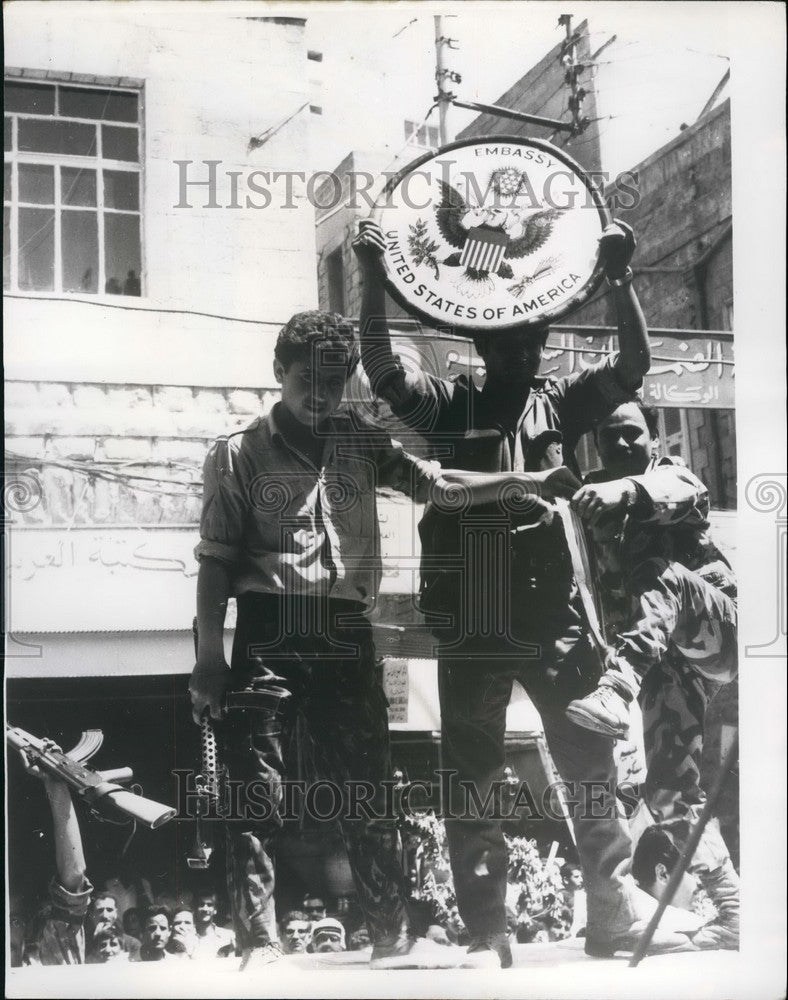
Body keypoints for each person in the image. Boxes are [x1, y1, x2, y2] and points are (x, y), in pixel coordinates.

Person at [352, 219, 686, 963]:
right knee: (472, 776)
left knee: (589, 760)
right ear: (482, 345)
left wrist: (620, 277)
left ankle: (611, 916)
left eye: (534, 341)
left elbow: (633, 364)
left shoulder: (557, 403)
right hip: (473, 617)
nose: (524, 353)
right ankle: (487, 932)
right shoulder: (448, 404)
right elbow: (380, 368)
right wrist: (373, 276)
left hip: (551, 613)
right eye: (509, 344)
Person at [189, 310, 521, 971]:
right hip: (268, 629)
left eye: (334, 382)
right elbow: (216, 561)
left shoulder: (363, 442)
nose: (320, 394)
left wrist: (523, 483)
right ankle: (259, 944)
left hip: (344, 631)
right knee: (257, 792)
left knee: (368, 790)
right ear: (279, 372)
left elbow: (436, 484)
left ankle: (390, 938)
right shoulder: (236, 453)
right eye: (306, 379)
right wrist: (208, 660)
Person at [565, 397, 740, 940]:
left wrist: (624, 490)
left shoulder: (671, 476)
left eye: (633, 433)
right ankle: (734, 910)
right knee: (669, 794)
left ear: (655, 439)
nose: (622, 443)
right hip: (665, 660)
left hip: (716, 627)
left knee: (659, 572)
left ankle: (617, 685)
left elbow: (685, 493)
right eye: (609, 435)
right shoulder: (589, 500)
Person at [12, 749, 93, 965]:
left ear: (28, 928)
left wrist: (55, 781)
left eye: (14, 920)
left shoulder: (49, 955)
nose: (7, 928)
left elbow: (74, 875)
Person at [632, 825, 737, 949]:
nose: (701, 883)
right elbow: (737, 924)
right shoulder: (675, 927)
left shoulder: (637, 915)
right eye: (695, 871)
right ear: (662, 874)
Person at [88, 892, 141, 960]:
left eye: (109, 910)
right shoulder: (83, 943)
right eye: (100, 911)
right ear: (92, 915)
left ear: (116, 914)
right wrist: (96, 941)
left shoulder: (132, 943)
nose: (105, 915)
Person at [192, 890, 234, 958]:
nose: (205, 909)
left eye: (209, 905)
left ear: (215, 910)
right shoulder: (189, 936)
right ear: (195, 909)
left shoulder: (228, 936)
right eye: (201, 905)